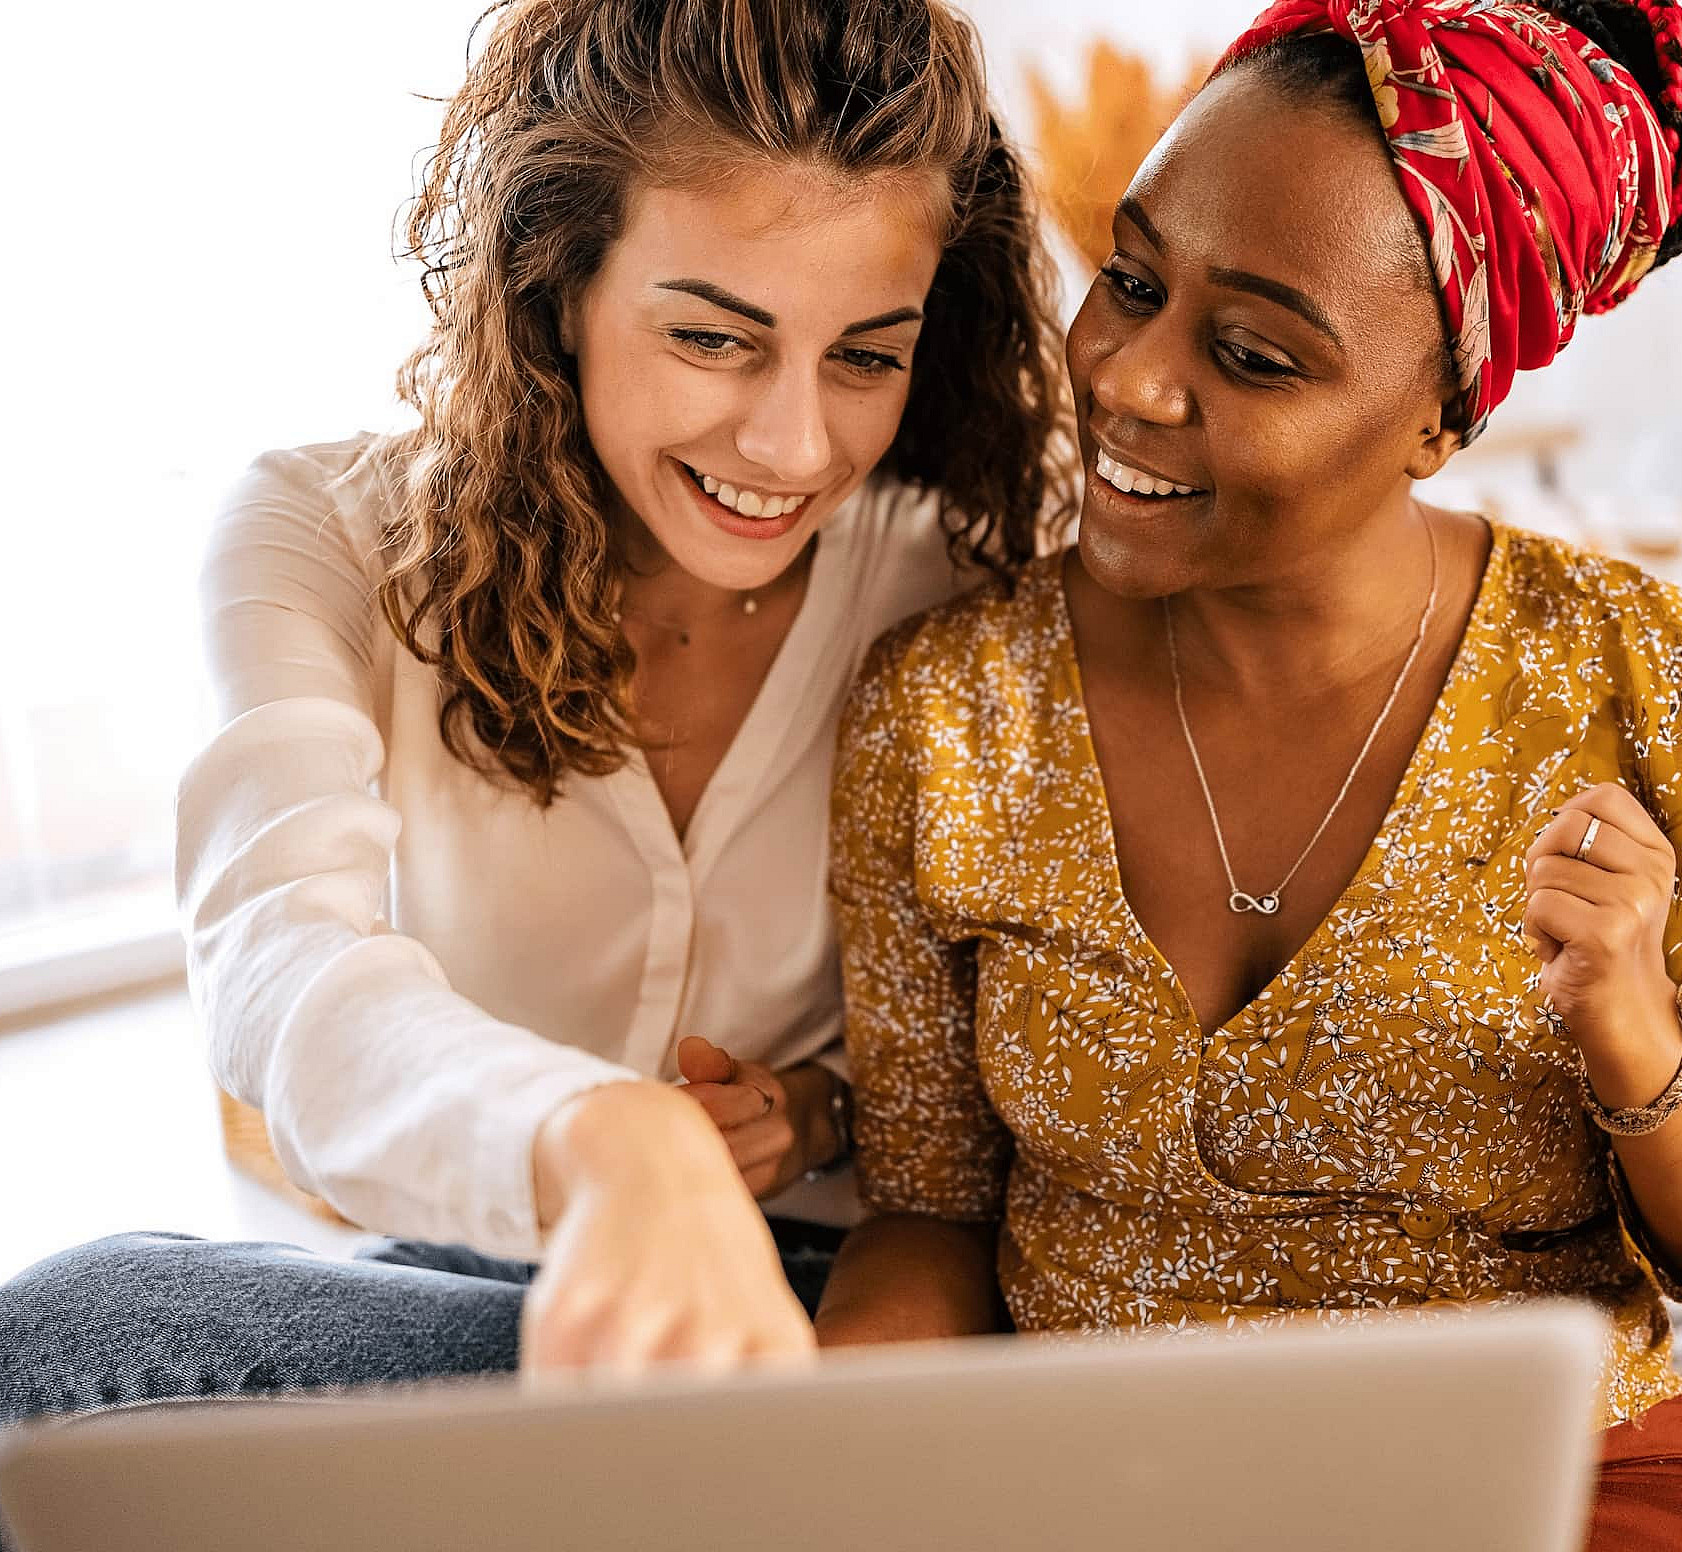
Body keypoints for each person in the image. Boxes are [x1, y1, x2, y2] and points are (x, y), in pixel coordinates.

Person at [812, 2, 1682, 1547]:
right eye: (1126, 279)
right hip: (1095, 1473)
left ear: (1442, 417)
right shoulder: (945, 704)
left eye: (1250, 352)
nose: (1125, 380)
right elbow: (927, 1210)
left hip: (1541, 1471)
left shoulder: (1655, 681)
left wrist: (1638, 1036)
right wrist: (829, 1463)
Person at [0, 0, 1068, 1423]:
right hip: (486, 1285)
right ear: (555, 280)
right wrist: (607, 1141)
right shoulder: (318, 532)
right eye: (711, 338)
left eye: (866, 355)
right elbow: (282, 977)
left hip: (861, 1299)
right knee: (77, 1325)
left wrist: (815, 1108)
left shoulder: (970, 570)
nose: (793, 444)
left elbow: (1055, 1059)